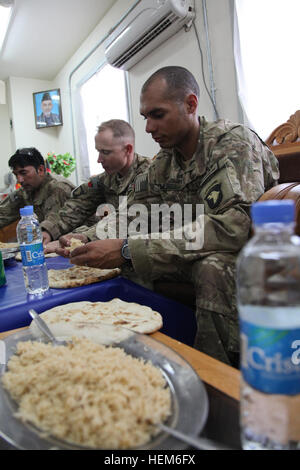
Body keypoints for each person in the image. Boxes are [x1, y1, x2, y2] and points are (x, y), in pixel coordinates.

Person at [57, 66, 279, 366]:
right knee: (124, 267)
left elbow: (234, 226)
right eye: (145, 116)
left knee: (210, 269)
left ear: (190, 104)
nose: (148, 127)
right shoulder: (165, 161)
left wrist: (127, 249)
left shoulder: (231, 143)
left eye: (157, 115)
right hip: (193, 247)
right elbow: (135, 212)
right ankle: (142, 357)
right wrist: (88, 237)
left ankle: (218, 374)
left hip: (247, 251)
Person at [41, 119, 151, 250]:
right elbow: (78, 204)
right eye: (98, 151)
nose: (99, 160)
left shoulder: (150, 175)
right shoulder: (107, 178)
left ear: (127, 149)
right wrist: (48, 230)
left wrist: (85, 236)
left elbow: (129, 218)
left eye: (106, 152)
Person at [0, 147, 75, 230]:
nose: (19, 180)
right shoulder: (25, 190)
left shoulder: (59, 188)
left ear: (40, 170)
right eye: (16, 175)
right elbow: (3, 213)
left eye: (23, 173)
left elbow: (54, 224)